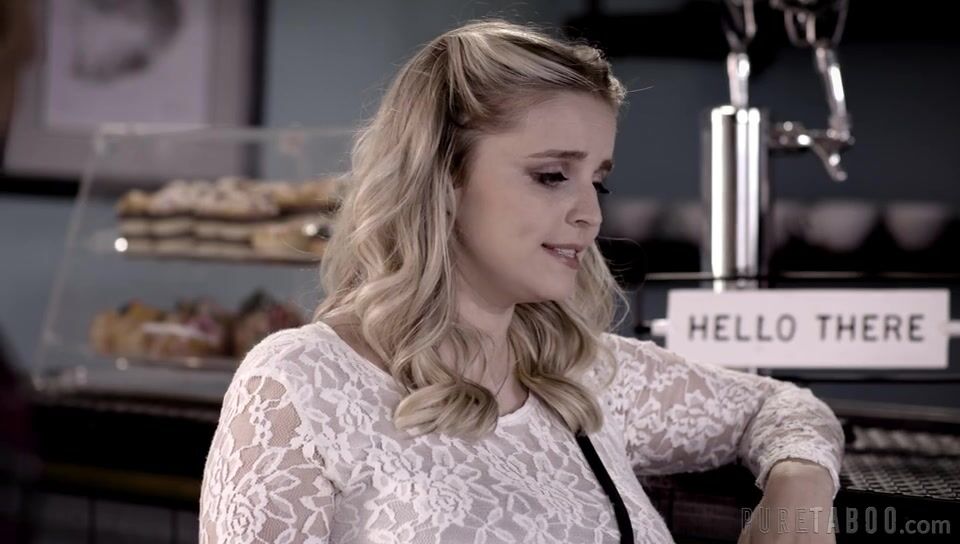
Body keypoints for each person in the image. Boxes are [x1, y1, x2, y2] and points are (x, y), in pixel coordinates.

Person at [199, 19, 844, 543]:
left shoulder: (585, 376)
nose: (590, 214)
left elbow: (784, 408)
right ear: (442, 178)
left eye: (598, 181)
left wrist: (797, 491)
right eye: (552, 176)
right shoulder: (300, 384)